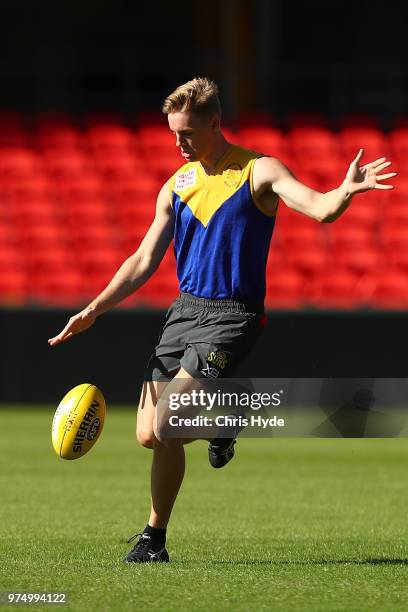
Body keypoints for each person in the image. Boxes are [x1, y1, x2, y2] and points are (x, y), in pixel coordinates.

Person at [48, 77, 396, 563]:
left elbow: (319, 209)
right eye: (173, 133)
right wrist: (94, 309)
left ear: (215, 123)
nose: (177, 144)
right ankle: (225, 422)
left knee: (168, 424)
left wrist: (345, 190)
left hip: (232, 317)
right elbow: (144, 259)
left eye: (187, 134)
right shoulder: (177, 185)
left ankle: (154, 539)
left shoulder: (260, 171)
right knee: (149, 434)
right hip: (183, 313)